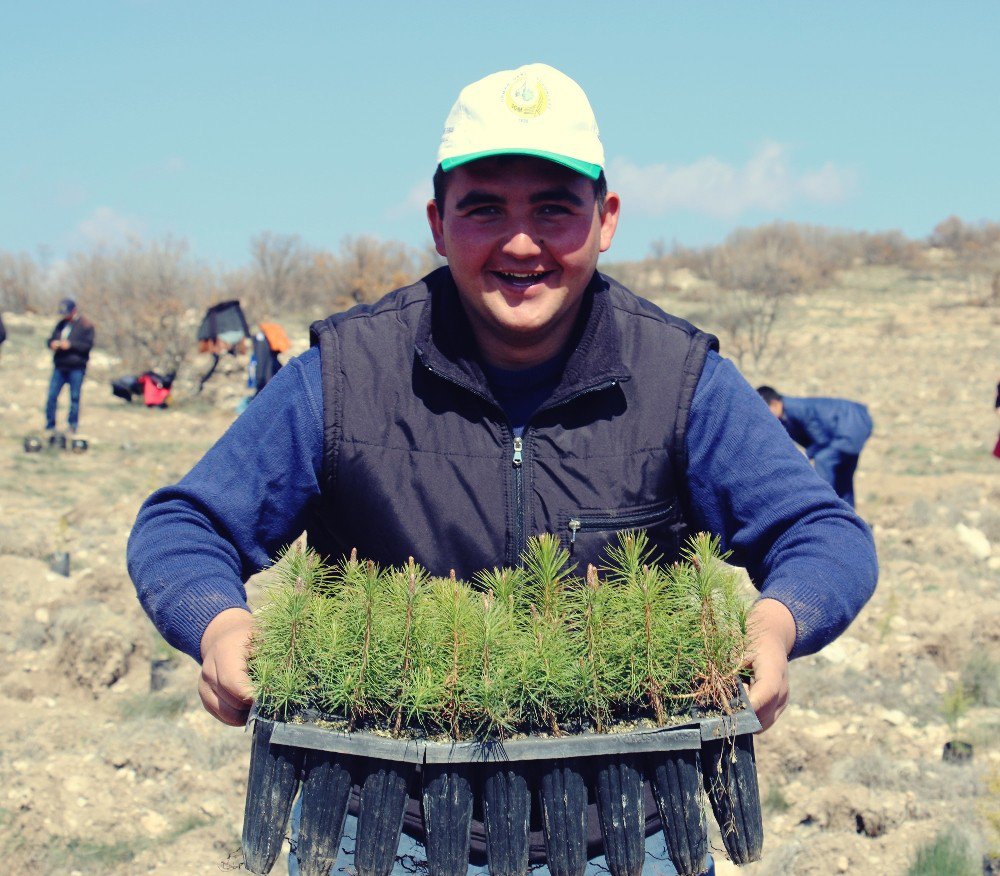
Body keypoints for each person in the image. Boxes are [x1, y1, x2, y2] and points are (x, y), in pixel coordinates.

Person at [128, 64, 878, 876]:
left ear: (606, 220)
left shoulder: (677, 377)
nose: (521, 242)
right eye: (484, 208)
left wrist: (774, 627)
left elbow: (823, 532)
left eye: (554, 208)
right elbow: (184, 523)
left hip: (625, 828)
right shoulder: (347, 373)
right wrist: (219, 625)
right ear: (438, 223)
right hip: (378, 823)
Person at [756, 386, 873, 508]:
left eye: (766, 410)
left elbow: (821, 440)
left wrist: (808, 454)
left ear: (774, 404)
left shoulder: (796, 408)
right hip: (850, 428)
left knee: (824, 460)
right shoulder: (786, 414)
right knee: (843, 476)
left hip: (850, 425)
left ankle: (824, 505)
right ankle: (847, 513)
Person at [45, 298, 95, 434]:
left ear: (74, 311)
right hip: (60, 366)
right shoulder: (61, 324)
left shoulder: (85, 325)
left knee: (74, 398)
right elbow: (50, 339)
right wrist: (52, 344)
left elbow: (87, 345)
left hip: (76, 367)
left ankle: (72, 426)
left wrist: (71, 345)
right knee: (51, 397)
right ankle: (50, 425)